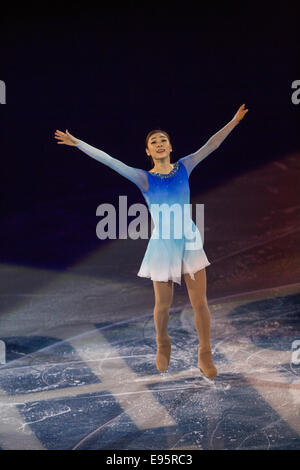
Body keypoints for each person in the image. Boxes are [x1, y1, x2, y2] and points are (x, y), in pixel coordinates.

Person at [54, 103, 248, 378]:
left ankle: (205, 351)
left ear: (170, 147)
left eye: (163, 140)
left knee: (200, 302)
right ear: (148, 151)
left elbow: (211, 145)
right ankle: (163, 343)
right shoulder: (143, 179)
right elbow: (110, 160)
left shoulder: (184, 166)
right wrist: (78, 143)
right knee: (163, 305)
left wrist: (234, 121)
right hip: (163, 245)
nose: (159, 144)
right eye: (153, 142)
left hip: (189, 239)